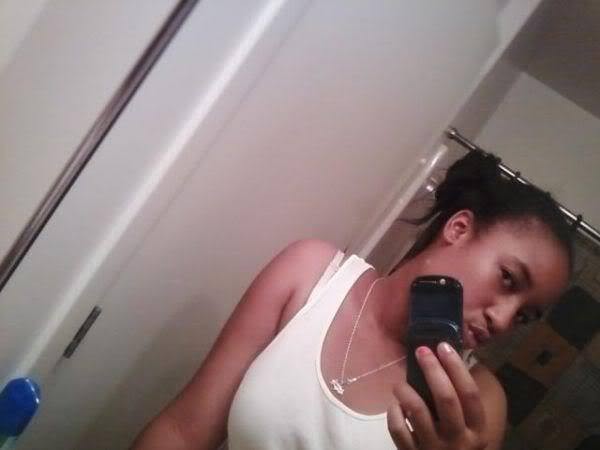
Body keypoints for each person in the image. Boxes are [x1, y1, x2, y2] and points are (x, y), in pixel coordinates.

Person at [131, 150, 574, 450]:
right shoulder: (311, 275)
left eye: (525, 316)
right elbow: (184, 431)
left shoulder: (477, 403)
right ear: (458, 229)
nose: (504, 319)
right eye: (508, 279)